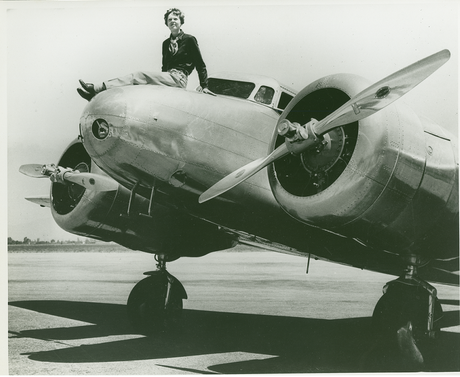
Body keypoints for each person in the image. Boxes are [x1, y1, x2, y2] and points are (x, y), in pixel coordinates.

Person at [77, 7, 214, 101]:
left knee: (139, 75)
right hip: (168, 77)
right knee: (139, 86)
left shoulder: (189, 39)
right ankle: (97, 97)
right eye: (170, 19)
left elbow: (200, 63)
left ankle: (96, 88)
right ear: (166, 23)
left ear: (180, 21)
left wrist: (205, 86)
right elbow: (164, 68)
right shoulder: (165, 43)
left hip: (179, 78)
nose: (172, 21)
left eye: (175, 19)